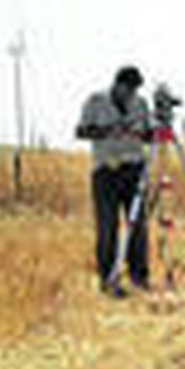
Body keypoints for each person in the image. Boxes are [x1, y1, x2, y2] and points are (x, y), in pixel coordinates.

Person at [76, 65, 152, 296]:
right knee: (108, 226)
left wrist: (143, 135)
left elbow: (149, 135)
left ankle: (139, 276)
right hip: (106, 171)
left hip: (134, 169)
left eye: (135, 90)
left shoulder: (141, 104)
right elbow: (81, 131)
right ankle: (108, 279)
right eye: (128, 89)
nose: (131, 95)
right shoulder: (95, 101)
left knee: (137, 225)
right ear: (118, 85)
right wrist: (109, 131)